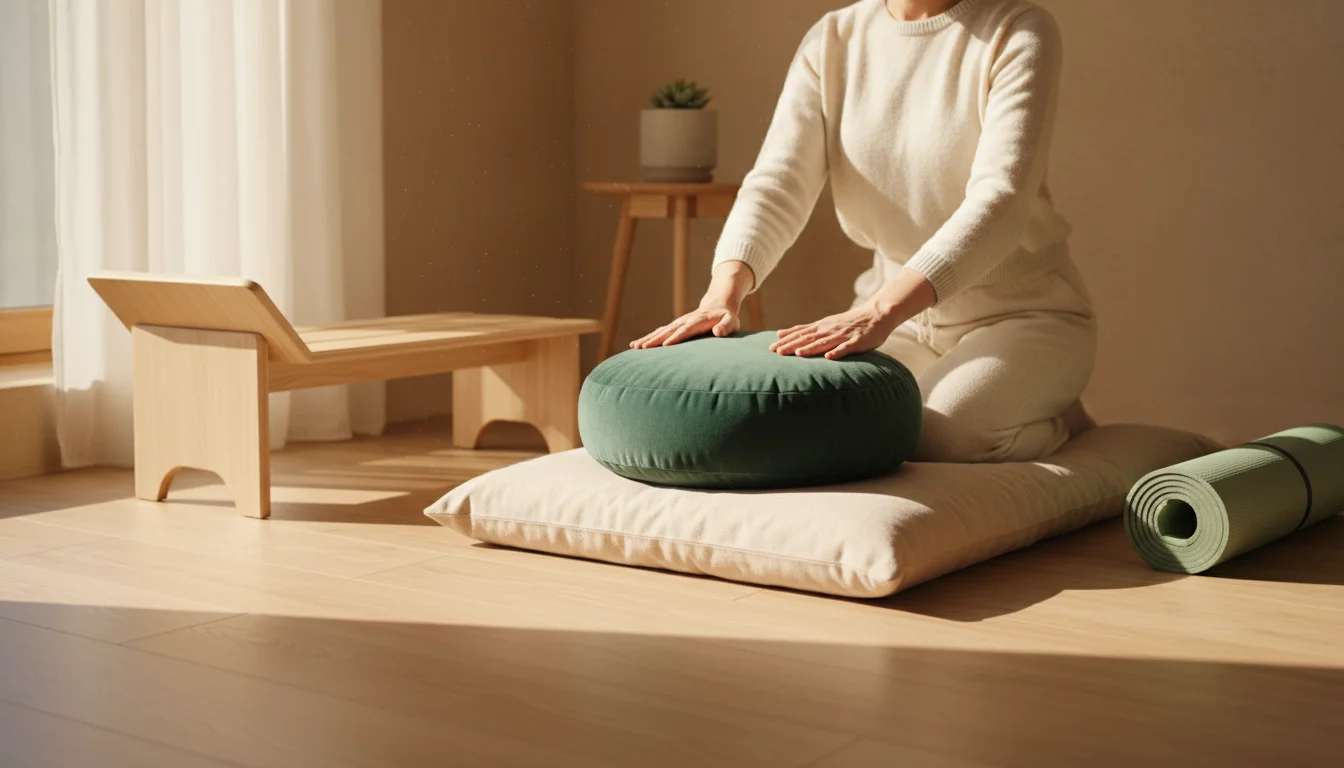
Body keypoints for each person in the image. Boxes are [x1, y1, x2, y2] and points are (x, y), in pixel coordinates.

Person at [630, 0, 1097, 464]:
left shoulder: (1018, 29)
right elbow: (778, 183)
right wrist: (722, 295)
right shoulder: (833, 39)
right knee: (818, 415)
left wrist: (881, 310)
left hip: (1022, 315)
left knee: (941, 435)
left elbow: (1001, 200)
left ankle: (1062, 423)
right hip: (902, 319)